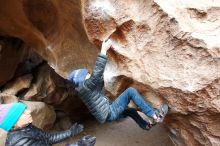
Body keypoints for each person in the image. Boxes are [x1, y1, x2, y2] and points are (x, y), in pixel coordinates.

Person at [68, 39, 168, 130]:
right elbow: (96, 75)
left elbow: (98, 83)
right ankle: (155, 115)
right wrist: (103, 50)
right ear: (81, 80)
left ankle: (146, 125)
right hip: (110, 112)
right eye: (86, 74)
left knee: (131, 111)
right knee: (130, 91)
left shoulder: (84, 91)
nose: (88, 74)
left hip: (107, 115)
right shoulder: (85, 88)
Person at [0, 102, 96, 146]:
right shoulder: (20, 141)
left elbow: (48, 138)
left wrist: (70, 132)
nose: (28, 111)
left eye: (25, 109)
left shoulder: (26, 127)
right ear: (14, 122)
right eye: (23, 113)